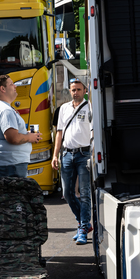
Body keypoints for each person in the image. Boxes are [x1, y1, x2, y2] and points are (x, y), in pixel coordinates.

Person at [51, 78, 92, 245]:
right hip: (67, 154)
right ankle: (84, 222)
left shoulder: (90, 107)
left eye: (79, 89)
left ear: (85, 90)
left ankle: (82, 228)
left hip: (84, 154)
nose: (75, 92)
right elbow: (59, 133)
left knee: (84, 193)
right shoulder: (63, 109)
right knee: (67, 193)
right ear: (69, 91)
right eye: (73, 90)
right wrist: (55, 155)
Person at [0, 75, 41, 178]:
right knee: (13, 194)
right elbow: (13, 138)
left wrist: (26, 134)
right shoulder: (5, 110)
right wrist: (30, 137)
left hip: (4, 164)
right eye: (11, 84)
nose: (15, 86)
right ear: (3, 89)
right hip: (9, 165)